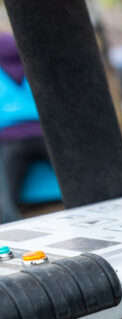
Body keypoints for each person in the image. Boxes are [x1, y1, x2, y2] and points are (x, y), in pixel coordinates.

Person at [0, 33, 53, 222]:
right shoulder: (32, 61)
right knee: (81, 178)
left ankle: (8, 228)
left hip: (9, 138)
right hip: (45, 132)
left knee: (5, 198)